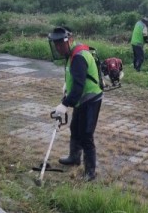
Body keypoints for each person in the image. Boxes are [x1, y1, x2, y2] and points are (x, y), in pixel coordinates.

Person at [48, 26, 103, 181]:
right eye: (56, 44)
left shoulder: (78, 56)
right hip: (81, 99)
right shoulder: (71, 54)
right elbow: (75, 79)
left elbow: (79, 87)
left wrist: (65, 104)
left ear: (69, 40)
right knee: (75, 128)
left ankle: (90, 171)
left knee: (86, 134)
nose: (58, 47)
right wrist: (67, 86)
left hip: (90, 99)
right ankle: (74, 157)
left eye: (60, 44)